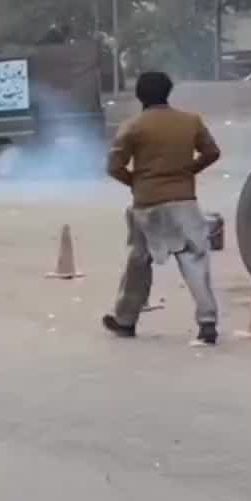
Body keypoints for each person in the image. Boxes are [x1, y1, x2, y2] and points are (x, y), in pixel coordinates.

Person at [102, 71, 223, 345]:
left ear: (139, 96)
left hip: (147, 205)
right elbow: (212, 153)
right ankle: (207, 323)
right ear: (168, 92)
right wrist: (189, 171)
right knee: (194, 260)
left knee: (139, 263)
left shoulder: (132, 127)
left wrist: (135, 181)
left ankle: (125, 320)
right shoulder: (190, 122)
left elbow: (113, 166)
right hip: (184, 201)